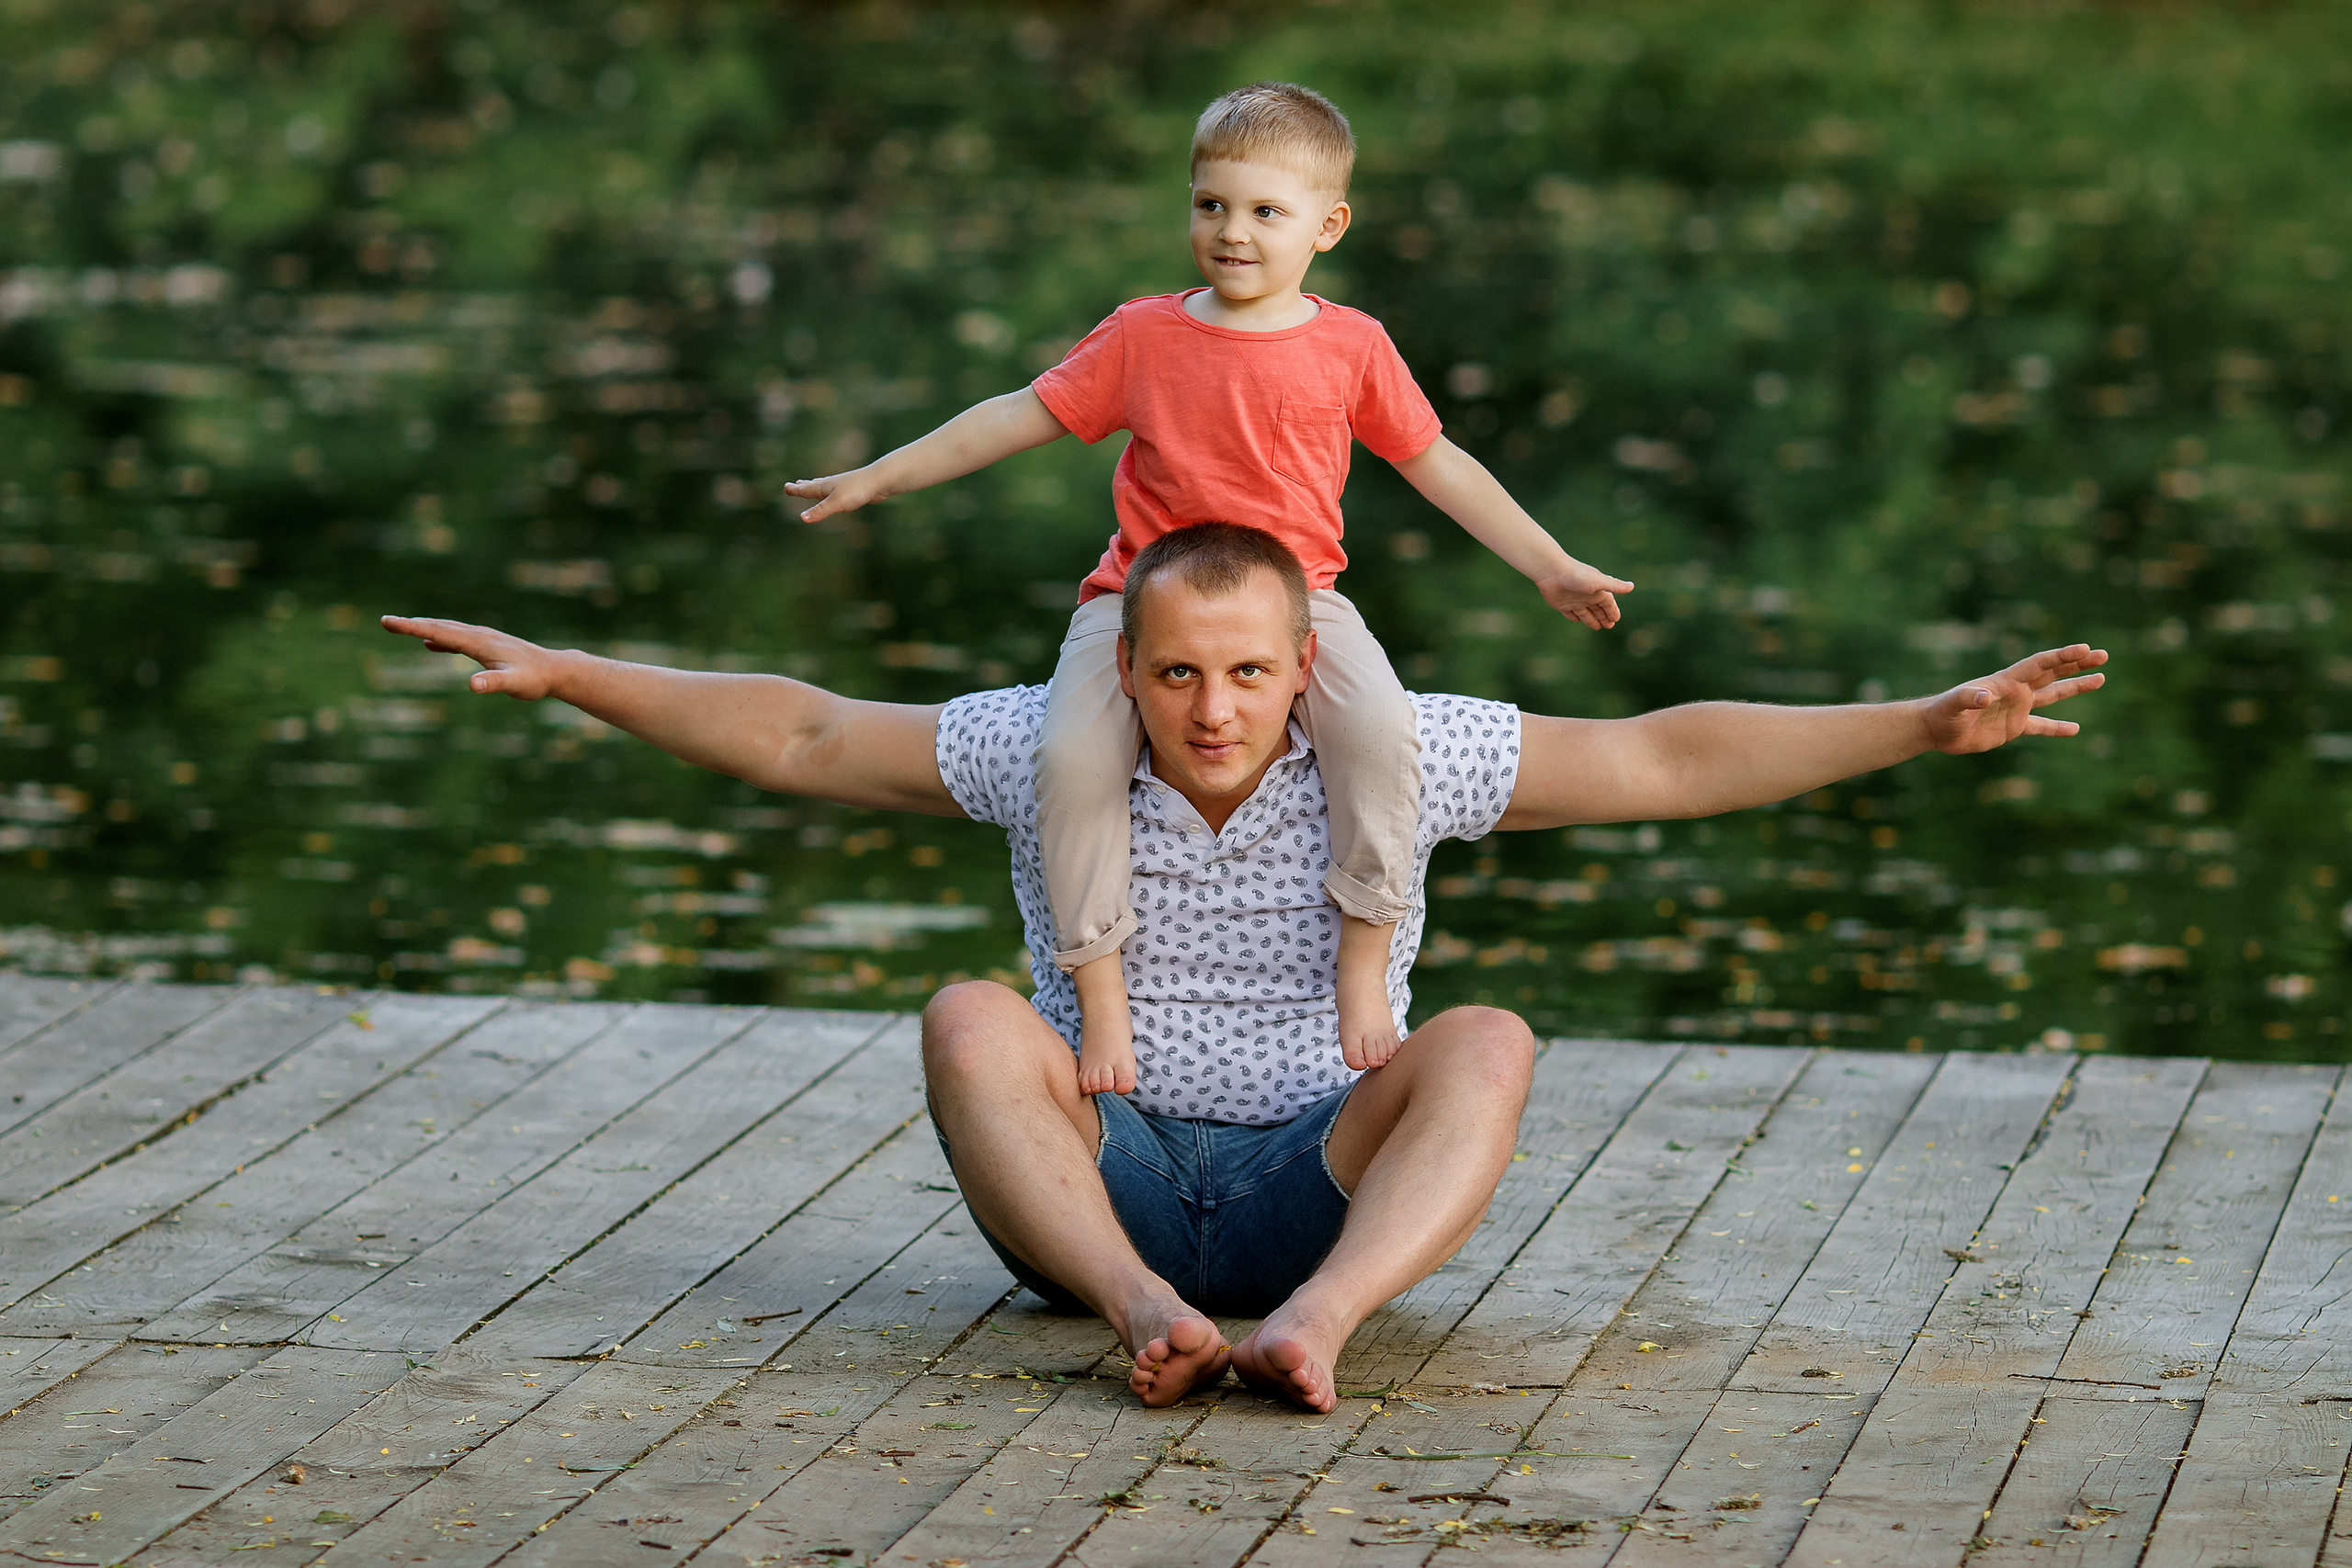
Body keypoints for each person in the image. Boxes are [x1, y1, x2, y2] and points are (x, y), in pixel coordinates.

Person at [378, 524, 2106, 1414]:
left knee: (1489, 1036)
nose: (1215, 708)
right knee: (970, 1010)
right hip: (1103, 1178)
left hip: (1312, 1175)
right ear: (1126, 669)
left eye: (1251, 671)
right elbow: (811, 732)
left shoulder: (1397, 754)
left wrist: (1920, 724)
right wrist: (571, 667)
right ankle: (1147, 1317)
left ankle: (1307, 1331)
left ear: (1303, 669)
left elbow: (1657, 754)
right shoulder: (1042, 751)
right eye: (1181, 673)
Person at [780, 81, 1634, 1101]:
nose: (1232, 232)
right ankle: (1099, 992)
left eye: (1265, 212)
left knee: (1383, 735)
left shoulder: (1350, 346)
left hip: (1300, 601)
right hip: (1137, 602)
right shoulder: (1143, 336)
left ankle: (1363, 960)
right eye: (1210, 205)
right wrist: (882, 472)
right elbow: (1019, 414)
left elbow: (1437, 462)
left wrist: (1549, 564)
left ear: (1328, 225)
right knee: (1069, 751)